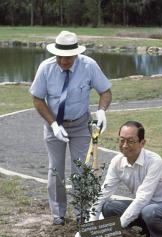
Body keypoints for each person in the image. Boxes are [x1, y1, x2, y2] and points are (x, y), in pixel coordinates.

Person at [30, 30, 112, 226]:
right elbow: (38, 98)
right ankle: (58, 215)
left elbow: (105, 91)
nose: (63, 61)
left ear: (76, 54)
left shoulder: (89, 66)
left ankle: (82, 214)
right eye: (59, 57)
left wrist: (101, 111)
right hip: (54, 126)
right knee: (56, 170)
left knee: (81, 171)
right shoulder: (46, 68)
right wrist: (53, 123)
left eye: (67, 58)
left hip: (81, 125)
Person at [90, 121, 162, 237]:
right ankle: (146, 233)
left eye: (130, 141)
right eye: (121, 140)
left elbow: (143, 198)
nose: (125, 145)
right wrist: (91, 225)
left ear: (142, 143)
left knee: (150, 212)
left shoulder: (154, 161)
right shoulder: (117, 162)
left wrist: (119, 226)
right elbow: (104, 192)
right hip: (146, 206)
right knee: (109, 207)